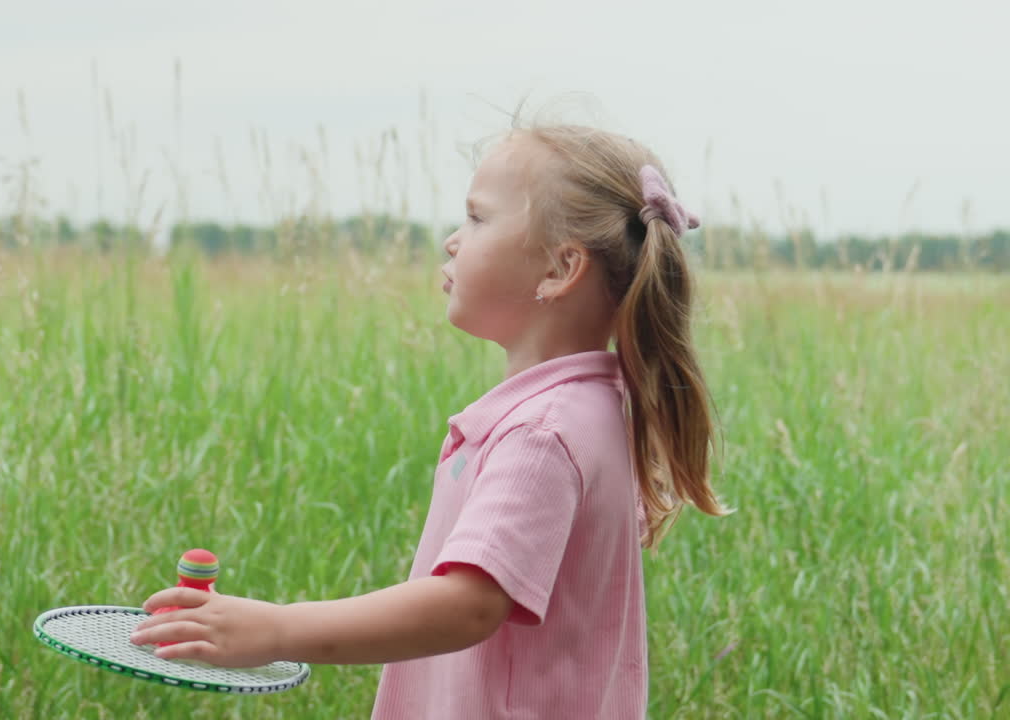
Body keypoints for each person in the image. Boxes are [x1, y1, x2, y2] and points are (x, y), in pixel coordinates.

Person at [130, 121, 729, 719]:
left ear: (559, 268)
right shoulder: (590, 410)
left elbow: (468, 605)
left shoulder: (541, 434)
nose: (451, 240)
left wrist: (274, 628)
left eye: (476, 217)